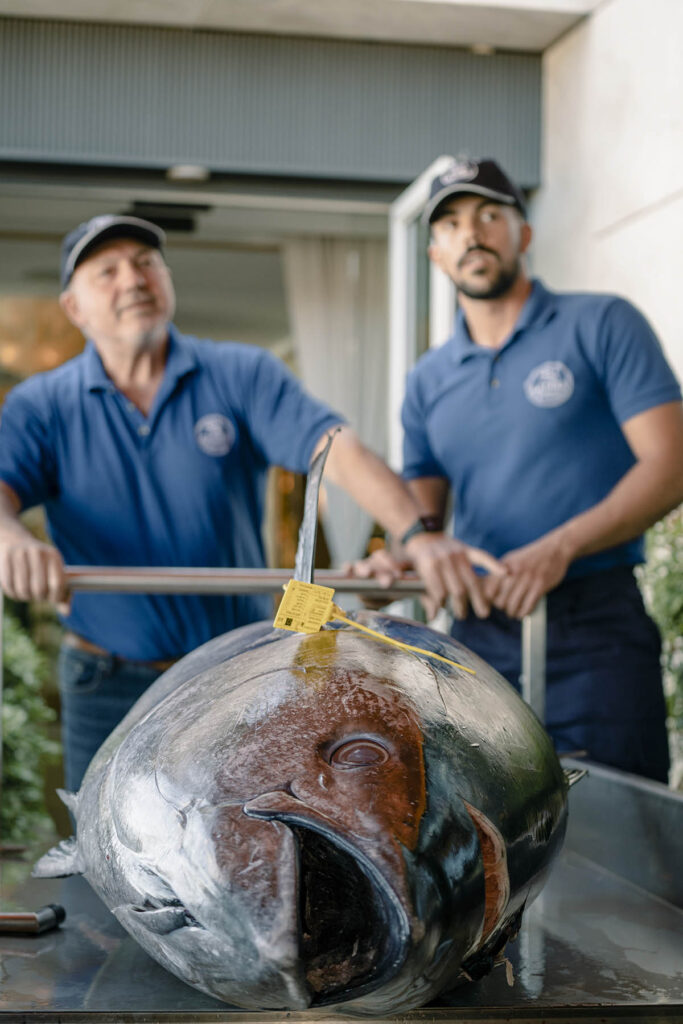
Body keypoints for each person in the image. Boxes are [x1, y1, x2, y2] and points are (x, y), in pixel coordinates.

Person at [0, 213, 503, 791]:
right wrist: (12, 538)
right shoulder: (42, 404)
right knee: (104, 857)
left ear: (166, 279)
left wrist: (419, 534)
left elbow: (333, 448)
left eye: (145, 263)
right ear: (74, 308)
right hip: (105, 678)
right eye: (107, 271)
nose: (132, 280)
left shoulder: (240, 373)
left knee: (240, 856)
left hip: (230, 677)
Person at [355, 157, 683, 783]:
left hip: (597, 629)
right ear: (435, 254)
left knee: (614, 845)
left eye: (489, 215)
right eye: (451, 223)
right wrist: (391, 562)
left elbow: (671, 467)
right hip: (480, 643)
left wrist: (558, 548)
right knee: (490, 846)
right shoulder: (427, 379)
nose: (471, 233)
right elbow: (420, 519)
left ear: (523, 234)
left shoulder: (602, 324)